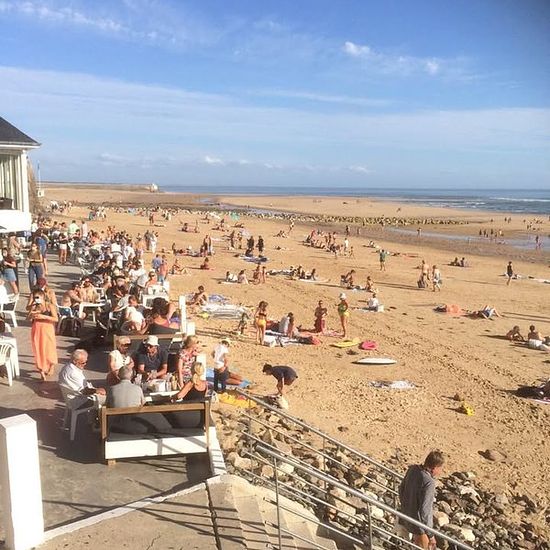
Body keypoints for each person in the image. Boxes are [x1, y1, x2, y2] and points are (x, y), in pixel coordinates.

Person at [396, 450, 445, 549]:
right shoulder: (429, 482)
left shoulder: (413, 469)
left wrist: (406, 507)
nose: (440, 472)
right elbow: (425, 511)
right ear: (434, 467)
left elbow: (401, 489)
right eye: (440, 468)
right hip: (418, 526)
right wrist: (431, 535)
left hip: (405, 516)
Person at [28, 288, 58, 380]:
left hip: (47, 329)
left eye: (38, 297)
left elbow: (56, 319)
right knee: (38, 349)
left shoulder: (49, 306)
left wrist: (43, 316)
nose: (36, 299)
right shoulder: (35, 306)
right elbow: (28, 318)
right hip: (37, 328)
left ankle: (51, 365)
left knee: (49, 348)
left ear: (43, 297)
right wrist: (32, 313)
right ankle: (41, 370)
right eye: (35, 297)